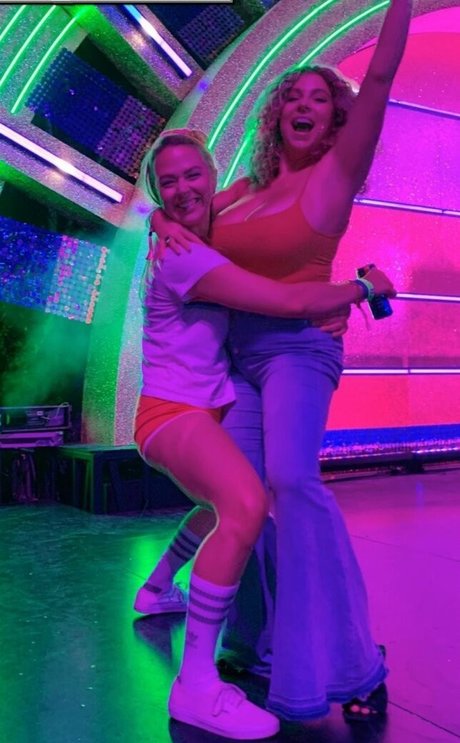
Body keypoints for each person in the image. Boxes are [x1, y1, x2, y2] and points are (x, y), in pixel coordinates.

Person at [144, 0, 412, 723]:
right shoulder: (246, 190)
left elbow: (381, 76)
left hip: (300, 348)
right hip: (240, 355)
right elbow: (186, 209)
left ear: (336, 119)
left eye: (318, 98)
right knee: (245, 499)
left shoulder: (336, 174)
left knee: (292, 479)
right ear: (276, 115)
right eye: (291, 95)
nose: (302, 104)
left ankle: (356, 663)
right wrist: (162, 219)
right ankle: (255, 644)